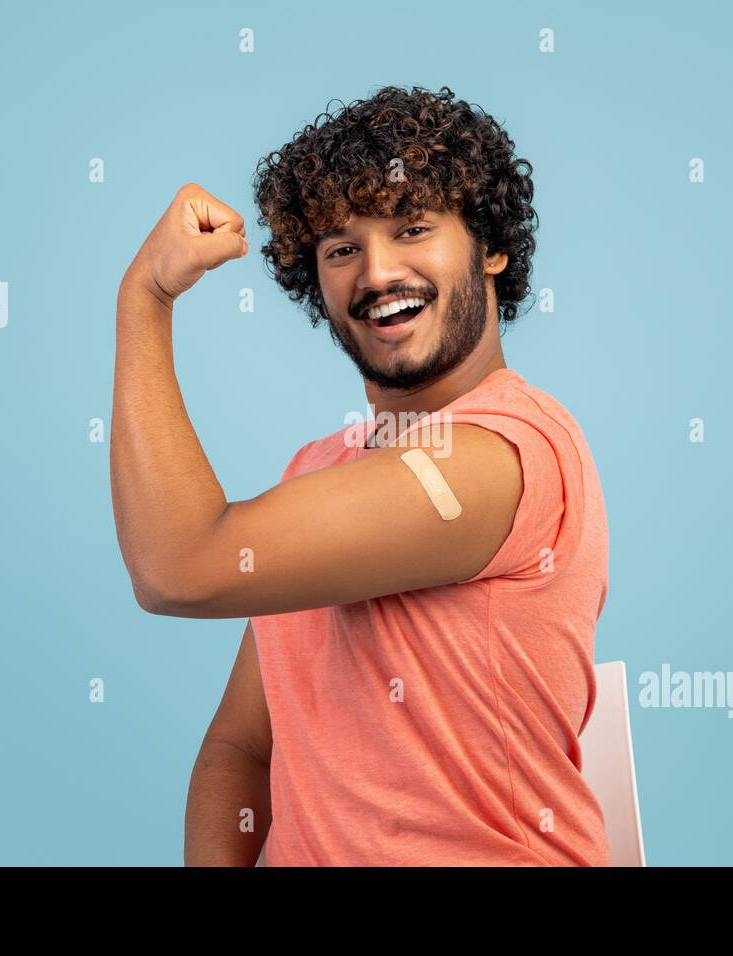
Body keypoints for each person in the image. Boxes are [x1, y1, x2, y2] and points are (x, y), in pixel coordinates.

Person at [111, 86, 611, 866]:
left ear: (490, 246)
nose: (377, 272)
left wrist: (145, 297)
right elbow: (242, 747)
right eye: (341, 248)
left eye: (412, 228)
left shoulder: (507, 454)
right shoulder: (317, 471)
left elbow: (179, 569)